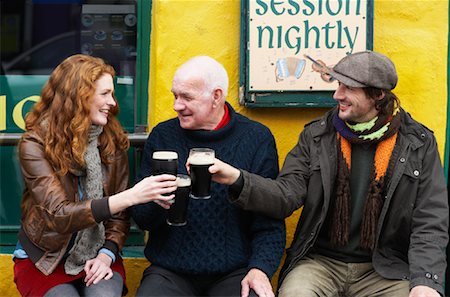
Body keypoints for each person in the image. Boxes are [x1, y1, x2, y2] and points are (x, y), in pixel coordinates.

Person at [209, 51, 449, 297]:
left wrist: (425, 281)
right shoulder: (317, 136)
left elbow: (430, 219)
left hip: (385, 269)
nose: (337, 95)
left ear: (378, 95)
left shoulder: (417, 143)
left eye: (348, 88)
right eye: (338, 85)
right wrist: (236, 178)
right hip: (320, 263)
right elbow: (285, 195)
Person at [13, 54, 177, 297]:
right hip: (45, 256)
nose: (112, 102)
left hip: (97, 251)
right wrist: (132, 196)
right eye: (105, 94)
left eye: (112, 93)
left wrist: (107, 253)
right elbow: (59, 215)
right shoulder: (35, 144)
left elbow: (119, 218)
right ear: (79, 96)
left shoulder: (110, 139)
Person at [130, 56, 286, 297]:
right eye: (175, 96)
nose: (176, 105)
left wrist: (260, 269)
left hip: (234, 271)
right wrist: (158, 199)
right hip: (170, 270)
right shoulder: (163, 136)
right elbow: (143, 220)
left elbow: (269, 221)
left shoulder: (256, 138)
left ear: (216, 96)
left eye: (187, 97)